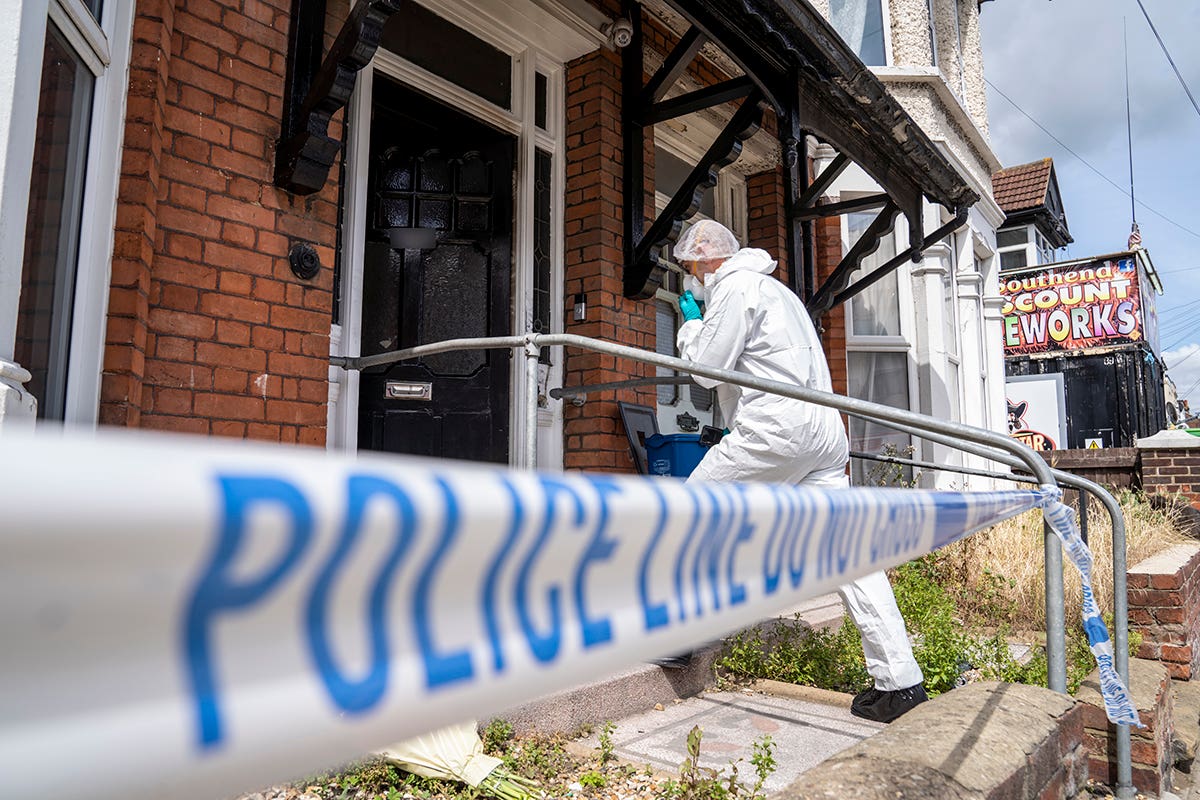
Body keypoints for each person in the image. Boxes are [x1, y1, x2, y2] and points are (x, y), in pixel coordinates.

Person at [672, 219, 927, 724]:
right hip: (825, 433)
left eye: (688, 268)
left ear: (705, 258)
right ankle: (901, 684)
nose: (689, 278)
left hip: (776, 428)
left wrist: (690, 326)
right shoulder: (776, 290)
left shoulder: (735, 287)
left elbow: (705, 369)